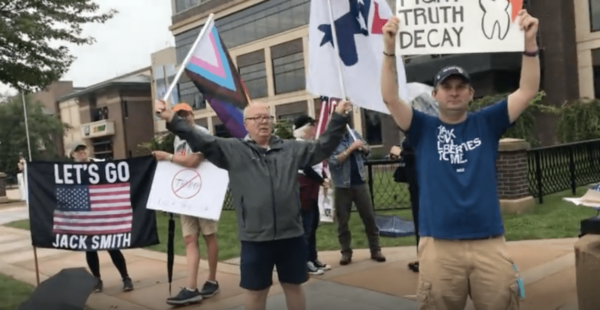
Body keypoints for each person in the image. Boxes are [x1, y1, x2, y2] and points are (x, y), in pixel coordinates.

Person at [380, 10, 540, 310]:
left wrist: (529, 44)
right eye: (447, 88)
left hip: (489, 245)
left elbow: (527, 90)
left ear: (471, 93)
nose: (453, 93)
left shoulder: (487, 122)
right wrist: (389, 50)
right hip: (439, 248)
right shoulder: (422, 128)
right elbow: (390, 98)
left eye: (460, 88)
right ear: (436, 95)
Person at [154, 99, 352, 310]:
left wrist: (338, 117)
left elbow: (323, 147)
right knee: (256, 293)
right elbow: (201, 140)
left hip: (291, 235)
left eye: (266, 117)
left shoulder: (290, 149)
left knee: (294, 286)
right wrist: (172, 119)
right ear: (246, 124)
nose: (262, 122)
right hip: (255, 239)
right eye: (256, 118)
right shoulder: (233, 149)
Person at [152, 103, 220, 306]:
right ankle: (191, 288)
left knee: (209, 235)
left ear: (192, 114)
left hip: (204, 191)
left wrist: (168, 157)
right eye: (178, 115)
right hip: (186, 193)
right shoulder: (178, 137)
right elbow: (183, 164)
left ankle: (212, 280)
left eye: (185, 114)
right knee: (190, 239)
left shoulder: (202, 133)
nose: (183, 117)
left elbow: (193, 161)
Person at [69, 141, 133, 293]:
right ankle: (97, 279)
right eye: (77, 151)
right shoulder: (70, 171)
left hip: (103, 212)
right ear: (73, 155)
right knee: (90, 249)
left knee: (112, 246)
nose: (81, 152)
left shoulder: (102, 164)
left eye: (83, 149)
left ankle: (126, 277)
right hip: (85, 214)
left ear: (88, 150)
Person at [328, 130, 386, 265]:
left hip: (360, 183)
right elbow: (333, 162)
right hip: (342, 186)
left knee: (369, 218)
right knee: (342, 222)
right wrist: (350, 149)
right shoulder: (332, 139)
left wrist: (363, 148)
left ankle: (375, 249)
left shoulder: (354, 134)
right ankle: (346, 252)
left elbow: (368, 152)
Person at [293, 115, 333, 275]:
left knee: (313, 224)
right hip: (304, 188)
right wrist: (321, 180)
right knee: (306, 227)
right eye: (311, 127)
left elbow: (317, 165)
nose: (313, 130)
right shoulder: (299, 146)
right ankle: (305, 261)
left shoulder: (309, 145)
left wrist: (324, 177)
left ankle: (313, 257)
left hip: (312, 189)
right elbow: (305, 167)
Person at [390, 137, 420, 273]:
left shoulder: (424, 132)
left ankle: (427, 261)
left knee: (423, 224)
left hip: (424, 186)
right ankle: (423, 258)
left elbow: (421, 154)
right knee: (419, 224)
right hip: (414, 185)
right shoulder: (409, 133)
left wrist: (401, 153)